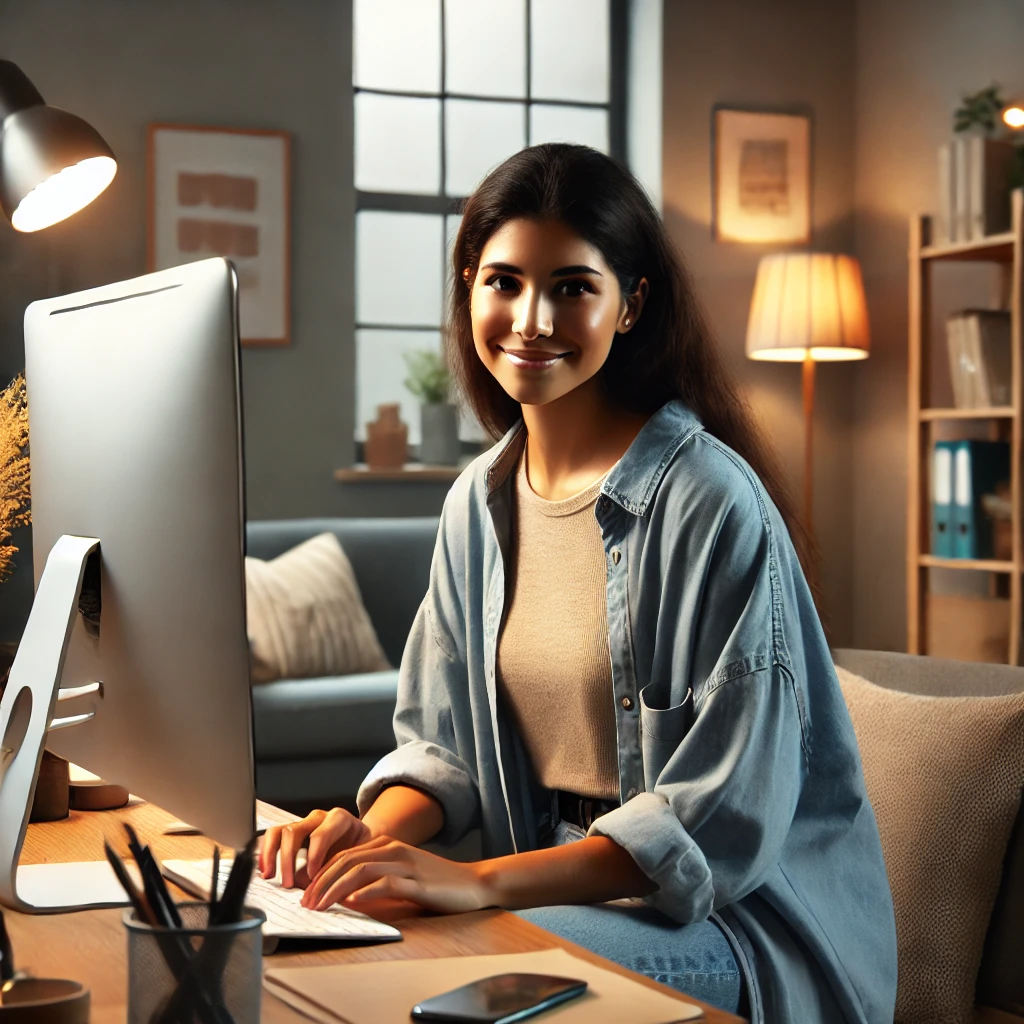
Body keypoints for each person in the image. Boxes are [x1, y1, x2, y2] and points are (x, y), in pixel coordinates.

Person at [260, 144, 897, 1023]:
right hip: (553, 889)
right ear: (469, 286)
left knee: (444, 974)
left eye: (571, 287)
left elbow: (714, 822)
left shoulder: (709, 502)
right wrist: (364, 837)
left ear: (629, 304)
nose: (531, 320)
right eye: (504, 282)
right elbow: (443, 748)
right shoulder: (476, 502)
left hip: (731, 928)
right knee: (335, 949)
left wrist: (477, 883)